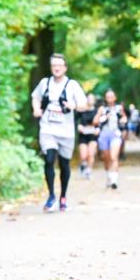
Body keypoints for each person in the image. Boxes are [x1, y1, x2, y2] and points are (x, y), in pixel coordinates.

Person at [30, 54, 88, 212]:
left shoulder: (72, 85)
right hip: (47, 128)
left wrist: (74, 105)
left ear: (65, 68)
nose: (56, 68)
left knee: (64, 164)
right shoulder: (45, 83)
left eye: (59, 65)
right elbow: (35, 97)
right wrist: (36, 109)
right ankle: (51, 196)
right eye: (54, 65)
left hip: (66, 131)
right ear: (51, 68)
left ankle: (63, 197)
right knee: (49, 160)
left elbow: (84, 104)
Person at [95, 89, 127, 189]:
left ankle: (114, 180)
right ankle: (109, 175)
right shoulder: (102, 109)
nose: (110, 98)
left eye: (111, 96)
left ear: (115, 97)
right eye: (108, 97)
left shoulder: (119, 108)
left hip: (115, 134)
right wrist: (104, 117)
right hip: (104, 134)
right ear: (105, 98)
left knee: (114, 157)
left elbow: (125, 118)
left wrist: (122, 120)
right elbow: (95, 121)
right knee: (106, 158)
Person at [76, 93, 99, 180]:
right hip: (83, 135)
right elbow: (75, 120)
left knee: (91, 153)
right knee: (83, 155)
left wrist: (98, 129)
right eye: (88, 98)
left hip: (93, 135)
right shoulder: (82, 110)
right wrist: (78, 126)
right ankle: (83, 164)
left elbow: (101, 122)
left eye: (92, 99)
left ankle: (88, 171)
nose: (90, 100)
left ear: (94, 101)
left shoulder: (97, 111)